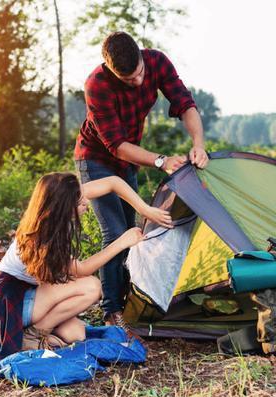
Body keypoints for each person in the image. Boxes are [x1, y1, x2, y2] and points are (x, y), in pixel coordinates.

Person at [75, 31, 209, 332]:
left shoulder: (157, 62)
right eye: (128, 79)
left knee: (133, 229)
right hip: (96, 159)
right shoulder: (96, 85)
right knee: (116, 231)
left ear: (141, 57)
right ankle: (111, 310)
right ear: (110, 69)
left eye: (139, 74)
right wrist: (160, 160)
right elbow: (116, 145)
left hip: (128, 161)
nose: (137, 82)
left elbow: (185, 104)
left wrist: (198, 143)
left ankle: (131, 298)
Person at [0, 172, 172, 357]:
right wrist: (122, 242)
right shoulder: (41, 239)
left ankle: (32, 332)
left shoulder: (66, 196)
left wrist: (145, 209)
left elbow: (113, 182)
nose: (86, 202)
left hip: (30, 294)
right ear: (62, 207)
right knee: (92, 286)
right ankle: (32, 335)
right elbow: (83, 270)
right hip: (11, 299)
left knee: (76, 334)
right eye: (80, 203)